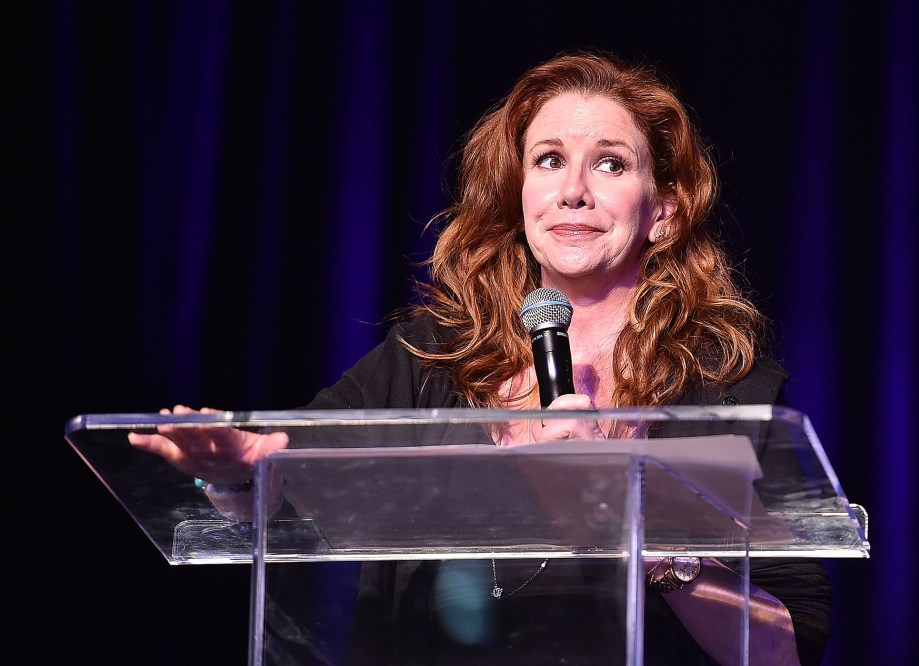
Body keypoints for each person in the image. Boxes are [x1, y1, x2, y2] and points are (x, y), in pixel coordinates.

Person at [129, 50, 832, 665]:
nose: (573, 190)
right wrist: (236, 479)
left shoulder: (728, 389)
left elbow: (783, 650)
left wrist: (637, 527)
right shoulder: (427, 360)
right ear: (521, 193)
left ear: (664, 211)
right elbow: (296, 486)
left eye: (610, 164)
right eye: (548, 160)